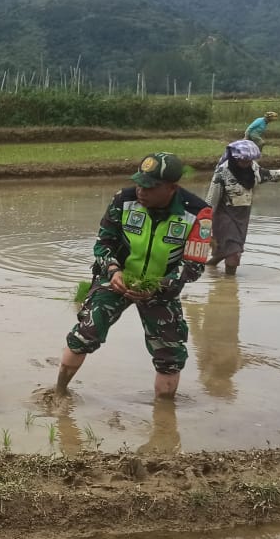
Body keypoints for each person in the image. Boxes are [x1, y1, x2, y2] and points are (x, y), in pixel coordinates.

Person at [55, 153, 212, 400]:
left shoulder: (198, 213)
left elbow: (193, 266)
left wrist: (159, 285)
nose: (141, 191)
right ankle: (59, 393)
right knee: (84, 335)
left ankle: (164, 419)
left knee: (170, 357)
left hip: (161, 287)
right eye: (139, 183)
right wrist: (113, 271)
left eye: (150, 186)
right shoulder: (124, 199)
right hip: (116, 278)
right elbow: (104, 242)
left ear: (172, 187)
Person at [205, 139, 280, 274]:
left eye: (249, 161)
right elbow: (211, 199)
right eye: (243, 161)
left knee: (225, 250)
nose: (246, 164)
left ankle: (208, 269)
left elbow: (268, 175)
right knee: (234, 252)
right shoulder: (222, 172)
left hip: (242, 216)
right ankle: (229, 287)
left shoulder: (252, 168)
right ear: (235, 158)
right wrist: (206, 223)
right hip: (225, 216)